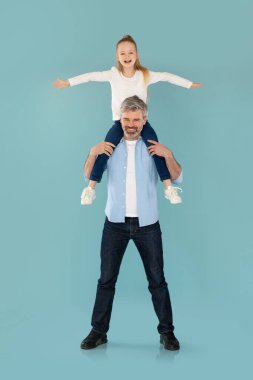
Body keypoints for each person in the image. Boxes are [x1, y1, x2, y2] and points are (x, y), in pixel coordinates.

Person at [80, 96, 183, 351]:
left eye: (136, 119)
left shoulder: (152, 147)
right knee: (106, 280)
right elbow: (87, 173)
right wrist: (92, 152)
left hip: (147, 225)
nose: (131, 124)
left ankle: (167, 333)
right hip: (114, 223)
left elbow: (177, 177)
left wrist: (168, 153)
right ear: (120, 119)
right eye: (127, 119)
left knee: (157, 280)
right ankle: (98, 331)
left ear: (144, 120)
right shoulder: (109, 146)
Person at [53, 35, 202, 205]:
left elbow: (166, 76)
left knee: (156, 149)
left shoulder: (145, 74)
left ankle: (169, 188)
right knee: (105, 150)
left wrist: (189, 84)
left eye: (130, 52)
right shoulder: (113, 74)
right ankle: (90, 188)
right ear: (117, 57)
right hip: (120, 122)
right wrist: (68, 83)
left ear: (136, 55)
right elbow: (91, 76)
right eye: (122, 53)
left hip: (141, 122)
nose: (127, 56)